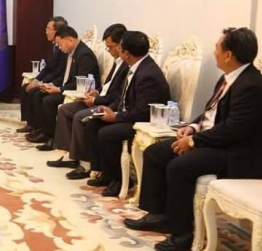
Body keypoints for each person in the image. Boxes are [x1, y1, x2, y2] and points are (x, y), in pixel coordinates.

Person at [125, 28, 262, 251]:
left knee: (179, 167)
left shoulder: (251, 85)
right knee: (155, 152)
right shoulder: (229, 78)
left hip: (238, 151)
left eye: (217, 48)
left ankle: (182, 233)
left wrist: (194, 141)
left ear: (229, 55)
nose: (214, 52)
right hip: (217, 140)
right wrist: (192, 127)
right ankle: (158, 215)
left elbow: (234, 130)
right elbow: (210, 113)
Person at [85, 31, 170, 197]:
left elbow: (143, 112)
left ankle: (121, 180)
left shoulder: (148, 74)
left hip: (144, 122)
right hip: (130, 114)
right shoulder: (136, 66)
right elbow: (123, 98)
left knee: (107, 133)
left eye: (120, 48)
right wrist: (109, 109)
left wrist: (115, 117)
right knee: (93, 123)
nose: (117, 50)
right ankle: (106, 173)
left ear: (126, 53)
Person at [49, 24, 129, 180]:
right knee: (65, 109)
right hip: (100, 98)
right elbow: (108, 86)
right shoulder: (117, 61)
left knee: (80, 116)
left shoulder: (127, 64)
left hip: (108, 105)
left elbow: (118, 95)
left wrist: (96, 100)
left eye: (110, 47)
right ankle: (70, 155)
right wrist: (96, 92)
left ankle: (85, 163)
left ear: (121, 45)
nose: (109, 51)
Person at [30, 26, 101, 150]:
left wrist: (59, 89)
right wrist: (51, 85)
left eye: (60, 44)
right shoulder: (72, 53)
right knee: (39, 94)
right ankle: (43, 131)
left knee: (48, 101)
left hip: (80, 92)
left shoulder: (84, 55)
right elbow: (65, 77)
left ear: (70, 40)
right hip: (69, 88)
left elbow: (79, 82)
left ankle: (52, 137)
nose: (59, 47)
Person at [17, 17, 69, 133]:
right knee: (25, 87)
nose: (46, 32)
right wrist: (36, 80)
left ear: (57, 31)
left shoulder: (64, 49)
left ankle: (39, 127)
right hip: (50, 78)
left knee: (34, 92)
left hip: (57, 81)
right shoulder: (53, 46)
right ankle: (30, 123)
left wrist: (41, 83)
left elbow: (58, 72)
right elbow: (47, 68)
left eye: (48, 29)